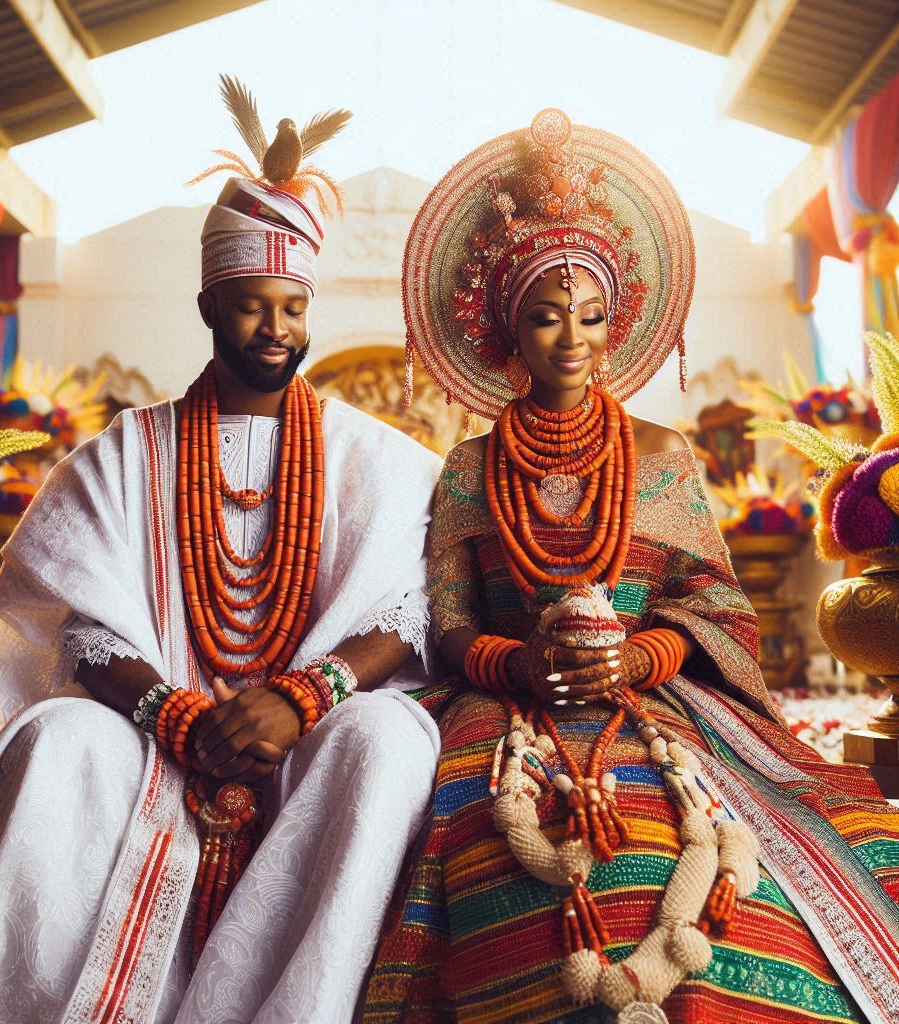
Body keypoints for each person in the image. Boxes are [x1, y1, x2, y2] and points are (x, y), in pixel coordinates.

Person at [0, 121, 442, 1023]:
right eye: (254, 305)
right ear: (210, 304)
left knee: (388, 740)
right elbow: (74, 615)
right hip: (147, 736)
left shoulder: (375, 456)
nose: (277, 328)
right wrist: (173, 714)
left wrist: (300, 698)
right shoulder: (123, 454)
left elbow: (412, 603)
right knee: (52, 740)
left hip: (308, 735)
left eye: (294, 308)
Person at [361, 108, 899, 1024]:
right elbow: (448, 630)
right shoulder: (469, 468)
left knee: (689, 851)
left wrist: (640, 659)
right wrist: (520, 665)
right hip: (506, 710)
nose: (571, 337)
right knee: (501, 857)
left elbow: (720, 608)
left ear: (616, 323)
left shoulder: (663, 454)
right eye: (545, 316)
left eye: (591, 315)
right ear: (506, 331)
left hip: (656, 704)